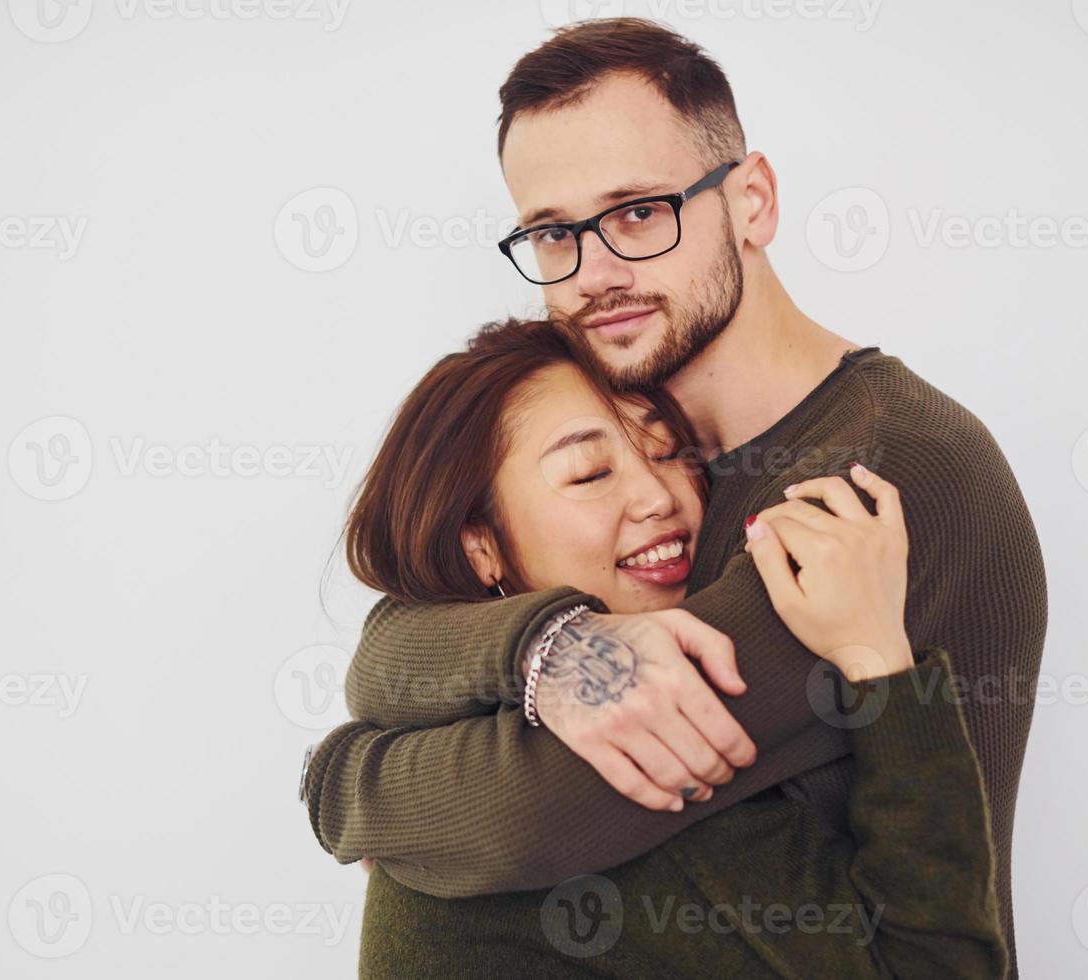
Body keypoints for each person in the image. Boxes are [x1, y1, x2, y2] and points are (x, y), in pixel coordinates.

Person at [305, 17, 1047, 977]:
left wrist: (338, 783)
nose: (596, 273)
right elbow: (403, 628)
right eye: (551, 232)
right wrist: (548, 645)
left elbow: (537, 812)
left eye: (639, 212)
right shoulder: (658, 454)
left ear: (751, 201)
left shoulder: (881, 470)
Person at [305, 317, 1004, 977]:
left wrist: (335, 779)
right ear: (480, 546)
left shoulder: (436, 750)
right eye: (587, 474)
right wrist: (881, 664)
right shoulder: (644, 762)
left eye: (671, 455)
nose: (656, 497)